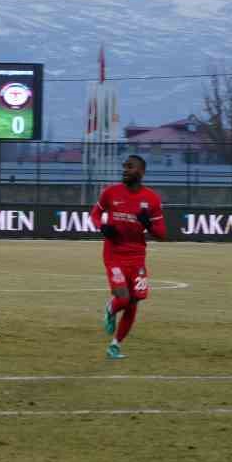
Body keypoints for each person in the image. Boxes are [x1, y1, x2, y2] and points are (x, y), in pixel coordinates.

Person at [91, 154, 167, 360]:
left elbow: (162, 234)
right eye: (124, 166)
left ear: (141, 172)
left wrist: (148, 224)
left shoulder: (151, 199)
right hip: (114, 254)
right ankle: (110, 307)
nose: (125, 170)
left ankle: (115, 345)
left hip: (137, 256)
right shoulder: (110, 193)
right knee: (123, 298)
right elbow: (94, 215)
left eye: (130, 167)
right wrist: (103, 228)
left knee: (133, 303)